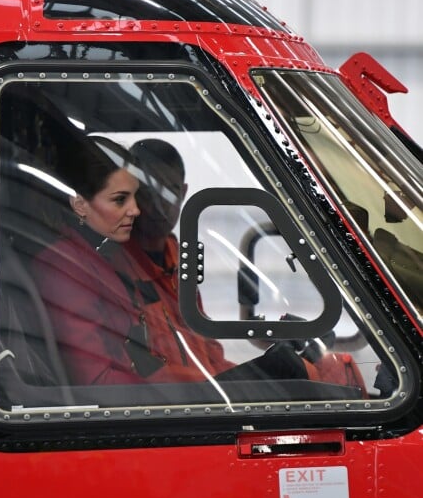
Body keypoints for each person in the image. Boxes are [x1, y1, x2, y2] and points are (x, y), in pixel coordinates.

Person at [120, 138, 368, 393]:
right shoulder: (115, 267)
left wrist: (257, 370)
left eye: (168, 190)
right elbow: (134, 377)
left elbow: (209, 354)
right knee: (290, 367)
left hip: (202, 394)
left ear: (183, 193)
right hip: (175, 403)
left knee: (316, 362)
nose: (160, 206)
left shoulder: (176, 260)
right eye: (149, 192)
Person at [34, 135, 223, 385]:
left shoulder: (104, 259)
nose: (137, 209)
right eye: (120, 199)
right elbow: (99, 381)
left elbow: (202, 350)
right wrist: (203, 386)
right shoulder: (65, 267)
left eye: (135, 196)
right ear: (80, 204)